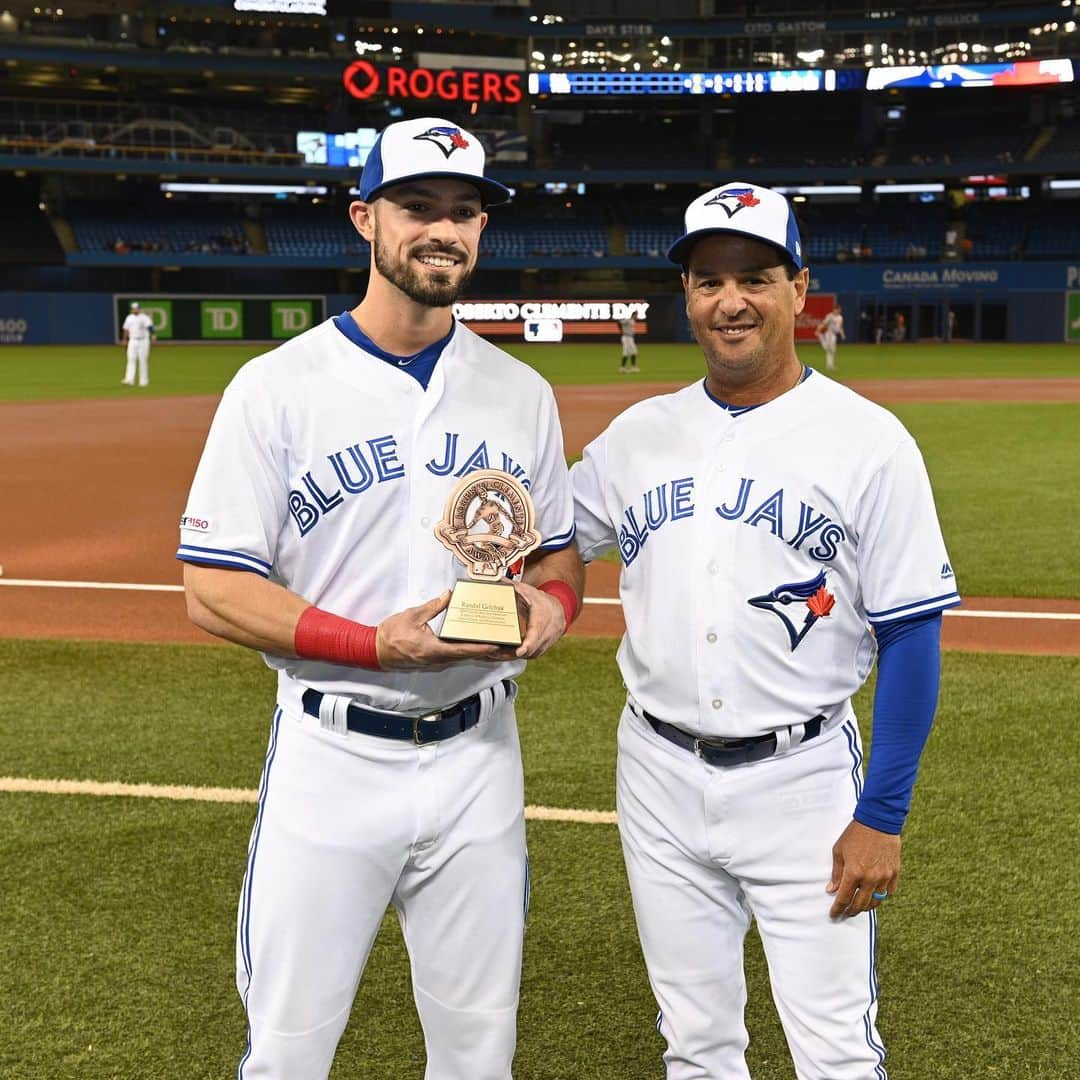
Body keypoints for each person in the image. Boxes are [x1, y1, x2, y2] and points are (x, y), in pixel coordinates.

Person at [177, 116, 584, 1080]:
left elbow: (560, 558)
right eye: (417, 207)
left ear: (482, 230)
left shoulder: (520, 391)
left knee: (480, 1053)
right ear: (365, 218)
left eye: (464, 212)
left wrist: (553, 612)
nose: (443, 230)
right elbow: (211, 588)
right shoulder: (275, 388)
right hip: (331, 754)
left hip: (481, 755)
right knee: (287, 1052)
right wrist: (372, 644)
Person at [570, 181, 959, 1079]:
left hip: (805, 782)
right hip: (657, 775)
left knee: (834, 1054)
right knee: (696, 1046)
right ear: (688, 296)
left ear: (798, 289)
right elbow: (547, 538)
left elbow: (911, 635)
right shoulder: (637, 436)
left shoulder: (870, 441)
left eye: (754, 277)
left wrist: (882, 815)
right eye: (709, 281)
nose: (729, 301)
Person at [120, 300, 155, 386]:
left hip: (143, 341)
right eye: (133, 308)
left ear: (139, 309)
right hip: (132, 340)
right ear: (131, 309)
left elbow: (150, 326)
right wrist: (124, 340)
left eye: (136, 308)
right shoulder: (129, 318)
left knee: (143, 360)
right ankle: (129, 379)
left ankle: (144, 381)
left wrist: (153, 334)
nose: (135, 310)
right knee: (131, 359)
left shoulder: (144, 317)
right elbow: (126, 329)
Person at [815, 303, 845, 371]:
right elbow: (824, 323)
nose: (838, 311)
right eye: (837, 310)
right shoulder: (830, 316)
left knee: (832, 351)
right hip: (829, 334)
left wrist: (842, 334)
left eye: (839, 310)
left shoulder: (840, 317)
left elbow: (840, 327)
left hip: (834, 335)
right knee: (828, 349)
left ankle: (830, 365)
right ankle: (821, 337)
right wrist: (818, 330)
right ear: (834, 310)